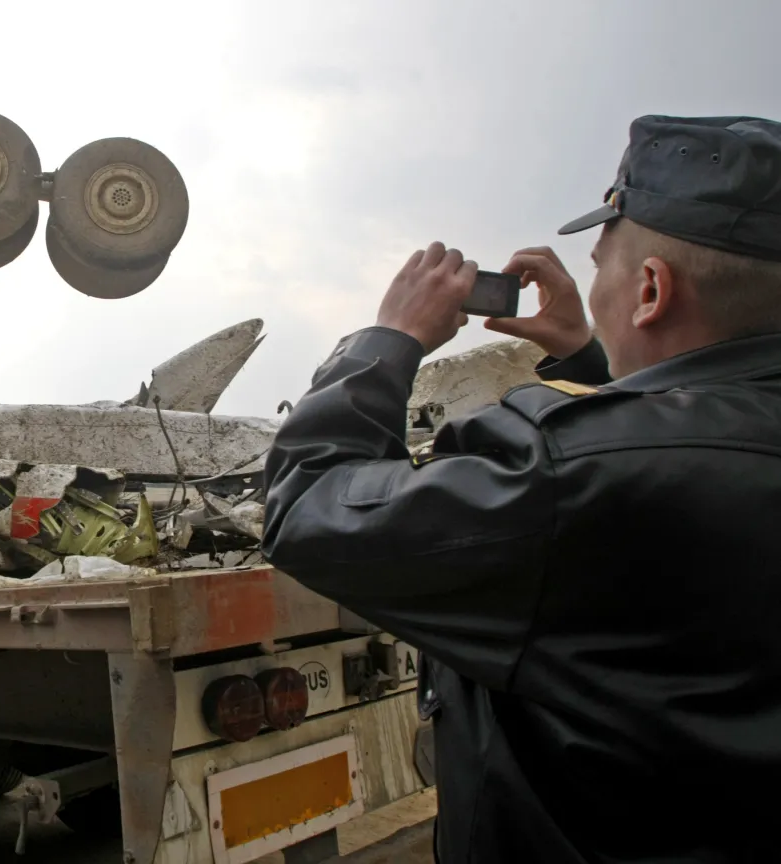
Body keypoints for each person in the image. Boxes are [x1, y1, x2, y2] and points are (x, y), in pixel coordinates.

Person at [262, 114, 781, 864]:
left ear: (650, 290)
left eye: (603, 266)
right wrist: (591, 353)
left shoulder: (558, 474)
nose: (593, 288)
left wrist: (389, 340)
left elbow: (308, 505)